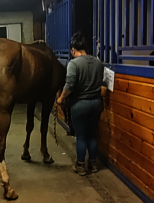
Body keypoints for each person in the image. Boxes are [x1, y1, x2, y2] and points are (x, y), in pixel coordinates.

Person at [57, 32, 104, 176]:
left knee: (81, 137)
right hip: (96, 103)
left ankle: (81, 166)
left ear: (73, 50)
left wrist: (61, 98)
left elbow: (70, 84)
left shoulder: (73, 63)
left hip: (80, 105)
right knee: (92, 135)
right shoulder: (98, 62)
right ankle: (93, 165)